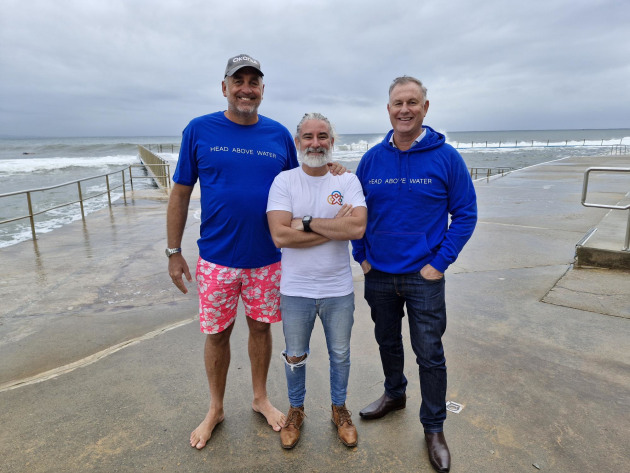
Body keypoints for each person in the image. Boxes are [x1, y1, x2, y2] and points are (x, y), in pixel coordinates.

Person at [166, 54, 344, 450]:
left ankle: (260, 397)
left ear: (262, 90)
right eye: (239, 81)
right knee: (216, 335)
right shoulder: (198, 130)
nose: (246, 88)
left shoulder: (278, 134)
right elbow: (180, 193)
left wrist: (333, 168)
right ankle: (215, 408)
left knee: (261, 329)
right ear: (225, 87)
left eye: (254, 82)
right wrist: (173, 251)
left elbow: (305, 174)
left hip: (267, 259)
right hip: (216, 259)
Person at [351, 76, 477, 472]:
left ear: (425, 107)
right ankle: (395, 394)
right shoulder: (371, 159)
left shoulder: (446, 157)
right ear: (388, 109)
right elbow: (355, 213)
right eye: (396, 103)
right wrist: (362, 256)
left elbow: (466, 214)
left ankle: (434, 427)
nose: (404, 109)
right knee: (387, 341)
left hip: (424, 276)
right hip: (379, 275)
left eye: (412, 102)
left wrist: (439, 263)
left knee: (430, 354)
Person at [266, 113, 367, 449]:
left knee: (340, 354)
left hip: (338, 289)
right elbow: (279, 235)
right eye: (308, 136)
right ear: (298, 142)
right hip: (295, 290)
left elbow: (355, 228)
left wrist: (305, 223)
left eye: (322, 136)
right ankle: (296, 410)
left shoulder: (347, 181)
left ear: (331, 142)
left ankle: (339, 409)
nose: (315, 143)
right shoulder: (284, 182)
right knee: (295, 355)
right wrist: (329, 228)